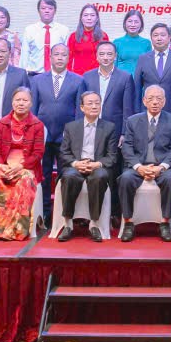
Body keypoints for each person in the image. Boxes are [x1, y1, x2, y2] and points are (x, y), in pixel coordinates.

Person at [118, 85, 171, 242]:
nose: (155, 102)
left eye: (159, 99)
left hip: (162, 166)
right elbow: (127, 147)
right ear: (144, 101)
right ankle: (128, 222)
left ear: (164, 101)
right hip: (139, 165)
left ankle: (165, 222)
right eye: (151, 98)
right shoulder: (133, 121)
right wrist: (139, 167)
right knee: (125, 179)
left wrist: (161, 167)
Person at [80, 40, 135, 222]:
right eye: (102, 54)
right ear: (96, 56)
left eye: (109, 54)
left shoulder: (125, 77)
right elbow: (80, 107)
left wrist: (124, 133)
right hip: (91, 130)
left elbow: (128, 108)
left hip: (115, 131)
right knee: (93, 170)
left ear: (115, 56)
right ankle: (89, 213)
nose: (105, 57)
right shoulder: (87, 77)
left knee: (113, 171)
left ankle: (113, 213)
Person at [0, 88, 45, 240]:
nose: (21, 103)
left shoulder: (37, 125)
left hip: (27, 167)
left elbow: (38, 153)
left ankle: (17, 230)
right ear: (12, 102)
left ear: (31, 103)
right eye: (18, 100)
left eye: (25, 100)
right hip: (5, 166)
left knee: (24, 180)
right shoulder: (2, 124)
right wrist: (1, 165)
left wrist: (21, 166)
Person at [56, 92, 118, 242]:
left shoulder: (109, 127)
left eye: (97, 103)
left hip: (96, 166)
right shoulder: (71, 127)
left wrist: (96, 164)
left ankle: (94, 224)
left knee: (100, 176)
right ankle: (68, 223)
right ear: (82, 107)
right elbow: (64, 153)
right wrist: (76, 164)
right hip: (76, 165)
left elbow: (112, 156)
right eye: (90, 103)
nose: (94, 106)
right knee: (69, 176)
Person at [32, 44, 82, 222]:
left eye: (64, 55)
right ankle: (45, 212)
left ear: (69, 58)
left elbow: (79, 112)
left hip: (66, 137)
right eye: (56, 54)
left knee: (66, 175)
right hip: (43, 136)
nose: (60, 58)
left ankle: (64, 212)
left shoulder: (78, 80)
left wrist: (75, 136)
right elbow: (33, 110)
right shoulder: (37, 80)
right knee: (44, 175)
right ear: (50, 57)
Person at [133, 23, 171, 124]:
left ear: (169, 37)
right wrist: (137, 112)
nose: (159, 38)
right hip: (148, 110)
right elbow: (137, 88)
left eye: (162, 35)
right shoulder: (143, 58)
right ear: (151, 38)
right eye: (155, 35)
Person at [21, 0, 70, 75]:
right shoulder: (29, 30)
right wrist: (23, 75)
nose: (47, 11)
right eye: (43, 8)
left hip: (56, 74)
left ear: (55, 11)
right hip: (34, 75)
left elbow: (67, 55)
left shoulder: (64, 30)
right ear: (38, 11)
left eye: (50, 8)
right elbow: (25, 55)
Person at [66, 4, 110, 76]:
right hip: (78, 76)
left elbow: (106, 59)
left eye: (92, 15)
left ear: (97, 18)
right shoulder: (73, 36)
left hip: (98, 76)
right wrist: (69, 76)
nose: (89, 18)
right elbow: (68, 59)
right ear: (81, 18)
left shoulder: (103, 36)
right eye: (86, 15)